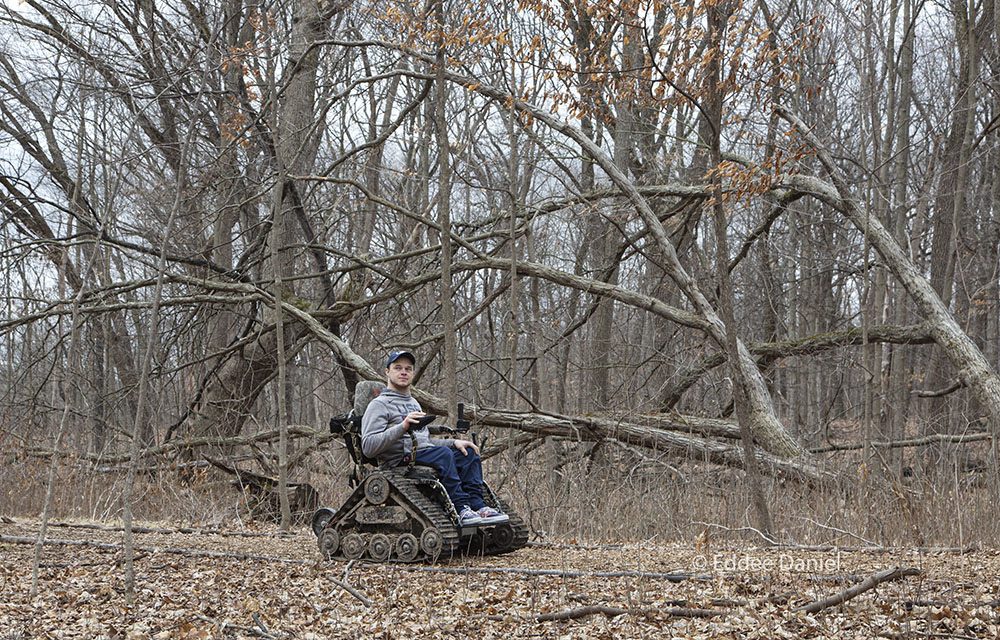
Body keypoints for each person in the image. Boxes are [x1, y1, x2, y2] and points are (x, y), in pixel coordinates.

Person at [360, 350, 508, 526]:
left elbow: (426, 442)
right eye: (397, 368)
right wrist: (403, 426)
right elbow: (368, 447)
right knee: (443, 455)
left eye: (408, 368)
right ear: (387, 372)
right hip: (399, 460)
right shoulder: (379, 404)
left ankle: (478, 506)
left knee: (468, 452)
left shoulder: (413, 403)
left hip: (421, 453)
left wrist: (454, 442)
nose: (403, 372)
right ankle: (461, 509)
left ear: (413, 373)